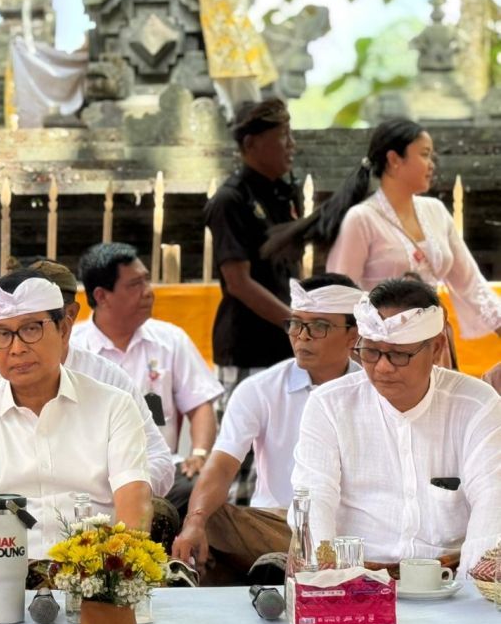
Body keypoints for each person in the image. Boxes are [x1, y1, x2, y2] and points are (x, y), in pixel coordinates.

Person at [0, 259, 174, 562]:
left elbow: (133, 496)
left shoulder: (114, 405)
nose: (16, 348)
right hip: (5, 570)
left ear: (65, 329)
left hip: (93, 568)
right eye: (2, 334)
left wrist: (111, 579)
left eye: (31, 329)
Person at [291, 278, 501, 575]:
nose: (383, 367)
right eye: (371, 352)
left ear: (437, 347)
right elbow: (315, 495)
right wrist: (326, 574)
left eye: (400, 354)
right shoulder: (329, 404)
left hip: (448, 575)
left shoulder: (477, 404)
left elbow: (493, 498)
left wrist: (475, 584)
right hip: (356, 575)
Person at [172, 274, 362, 583]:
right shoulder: (259, 389)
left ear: (353, 334)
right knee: (206, 515)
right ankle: (285, 563)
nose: (302, 336)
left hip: (351, 533)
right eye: (295, 324)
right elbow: (221, 466)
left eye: (319, 326)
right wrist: (196, 521)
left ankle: (283, 566)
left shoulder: (373, 390)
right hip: (274, 525)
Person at [262, 117, 501, 340]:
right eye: (425, 155)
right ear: (394, 160)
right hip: (381, 348)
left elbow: (471, 284)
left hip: (433, 342)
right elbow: (342, 298)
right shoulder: (362, 219)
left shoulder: (435, 211)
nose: (431, 165)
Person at [71, 243, 223, 520]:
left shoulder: (171, 340)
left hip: (160, 472)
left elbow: (200, 404)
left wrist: (199, 453)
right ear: (102, 296)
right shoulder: (71, 349)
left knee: (201, 489)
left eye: (146, 281)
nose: (149, 292)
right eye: (135, 285)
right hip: (90, 474)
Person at [203, 97, 300, 400]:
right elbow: (239, 282)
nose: (292, 145)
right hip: (249, 345)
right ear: (251, 143)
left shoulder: (282, 194)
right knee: (243, 444)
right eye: (283, 136)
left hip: (286, 343)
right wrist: (296, 325)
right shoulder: (231, 200)